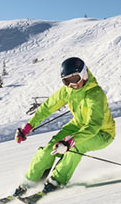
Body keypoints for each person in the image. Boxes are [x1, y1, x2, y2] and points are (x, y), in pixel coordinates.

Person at [13, 56, 115, 195]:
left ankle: (57, 181)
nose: (72, 85)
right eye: (67, 81)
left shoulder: (95, 94)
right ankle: (29, 182)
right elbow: (47, 107)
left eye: (74, 79)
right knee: (49, 149)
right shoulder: (67, 91)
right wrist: (29, 126)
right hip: (77, 126)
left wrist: (71, 142)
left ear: (84, 74)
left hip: (102, 133)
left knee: (76, 147)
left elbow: (93, 125)